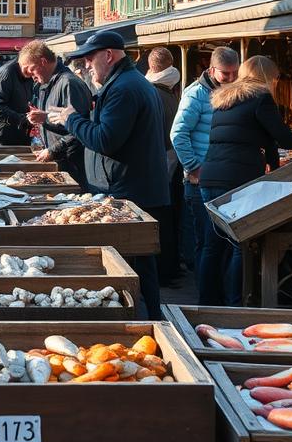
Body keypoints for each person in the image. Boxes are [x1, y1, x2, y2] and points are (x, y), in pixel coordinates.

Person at [56, 30, 169, 319]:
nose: (87, 66)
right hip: (132, 186)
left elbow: (105, 139)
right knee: (140, 266)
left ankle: (143, 323)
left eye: (90, 59)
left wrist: (71, 119)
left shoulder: (123, 89)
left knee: (132, 267)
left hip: (128, 189)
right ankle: (149, 318)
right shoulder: (128, 83)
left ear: (108, 56)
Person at [200, 55, 292, 305]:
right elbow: (285, 140)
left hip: (210, 177)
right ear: (269, 78)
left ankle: (207, 303)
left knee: (213, 246)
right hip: (235, 181)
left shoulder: (226, 99)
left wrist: (274, 169)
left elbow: (267, 141)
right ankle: (234, 305)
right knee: (239, 243)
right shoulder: (261, 97)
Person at [170, 46, 240, 280]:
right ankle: (205, 292)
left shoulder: (230, 91)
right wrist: (193, 167)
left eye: (235, 73)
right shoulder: (196, 94)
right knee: (207, 240)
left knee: (218, 241)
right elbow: (178, 134)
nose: (231, 78)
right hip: (199, 180)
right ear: (211, 70)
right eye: (225, 74)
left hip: (221, 177)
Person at [21, 40, 91, 186]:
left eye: (31, 70)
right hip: (61, 160)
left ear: (43, 62)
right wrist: (42, 118)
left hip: (74, 164)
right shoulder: (45, 84)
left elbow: (81, 129)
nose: (30, 76)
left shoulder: (69, 83)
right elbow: (58, 119)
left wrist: (52, 150)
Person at [145, 47, 183, 287]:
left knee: (159, 219)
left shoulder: (150, 93)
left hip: (158, 161)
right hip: (174, 161)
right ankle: (171, 267)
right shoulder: (171, 92)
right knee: (170, 217)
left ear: (150, 67)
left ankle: (164, 270)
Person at [0, 55, 34, 146]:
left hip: (18, 132)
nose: (34, 73)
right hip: (4, 135)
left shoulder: (26, 75)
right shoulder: (7, 73)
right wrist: (21, 119)